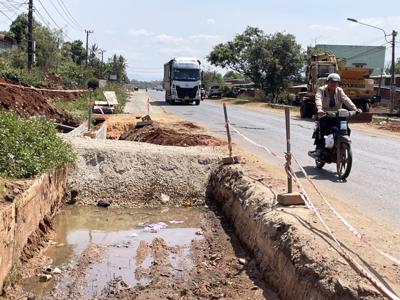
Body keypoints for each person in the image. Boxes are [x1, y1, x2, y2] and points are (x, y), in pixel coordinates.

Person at [309, 73, 361, 158]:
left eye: (336, 82)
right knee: (321, 129)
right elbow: (318, 98)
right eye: (332, 82)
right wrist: (319, 109)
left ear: (338, 83)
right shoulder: (321, 90)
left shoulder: (340, 91)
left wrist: (355, 109)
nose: (333, 84)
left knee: (347, 130)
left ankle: (341, 146)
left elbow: (346, 100)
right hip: (325, 115)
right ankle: (319, 149)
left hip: (338, 115)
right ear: (328, 82)